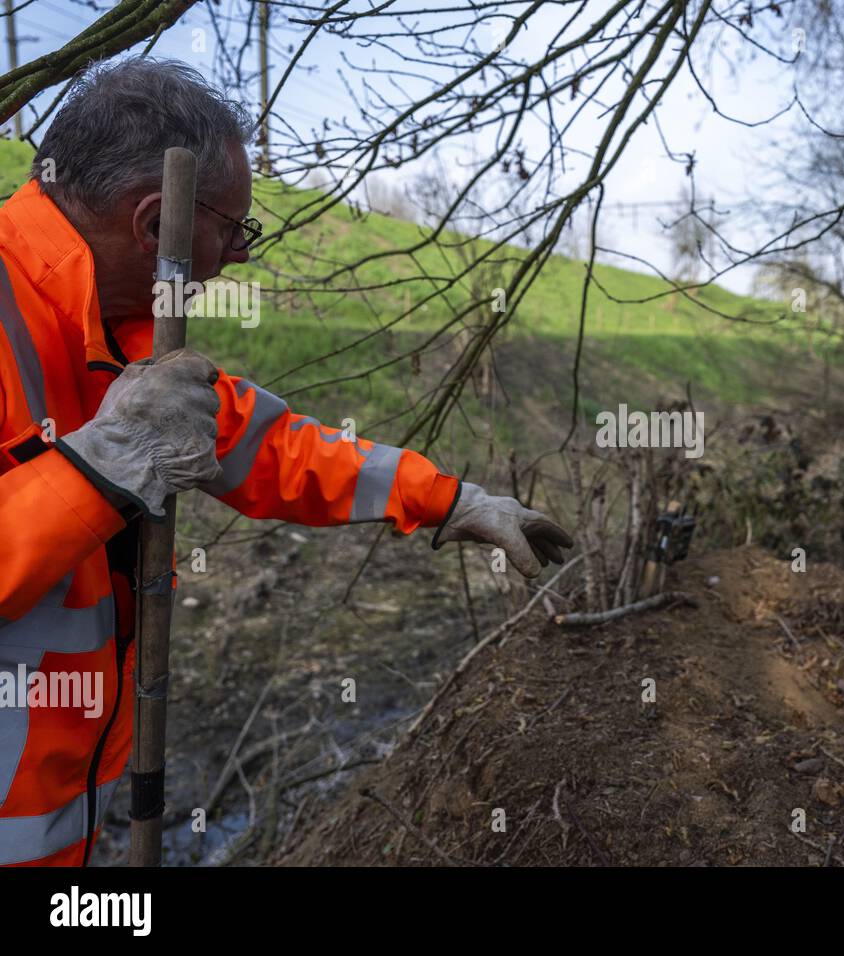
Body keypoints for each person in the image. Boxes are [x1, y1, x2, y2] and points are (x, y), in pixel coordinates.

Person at [0, 57, 572, 866]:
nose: (235, 257)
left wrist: (450, 499)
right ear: (153, 219)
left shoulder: (112, 332)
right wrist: (99, 468)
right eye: (231, 228)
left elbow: (267, 448)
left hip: (56, 826)